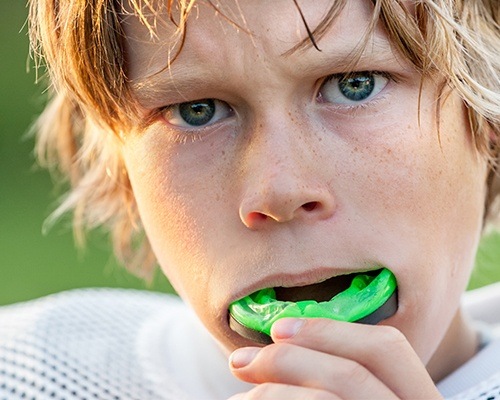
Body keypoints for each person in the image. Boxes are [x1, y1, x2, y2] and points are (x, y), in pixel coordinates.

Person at [1, 0, 499, 398]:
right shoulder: (28, 373)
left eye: (354, 86)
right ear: (125, 173)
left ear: (488, 124)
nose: (278, 191)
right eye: (197, 111)